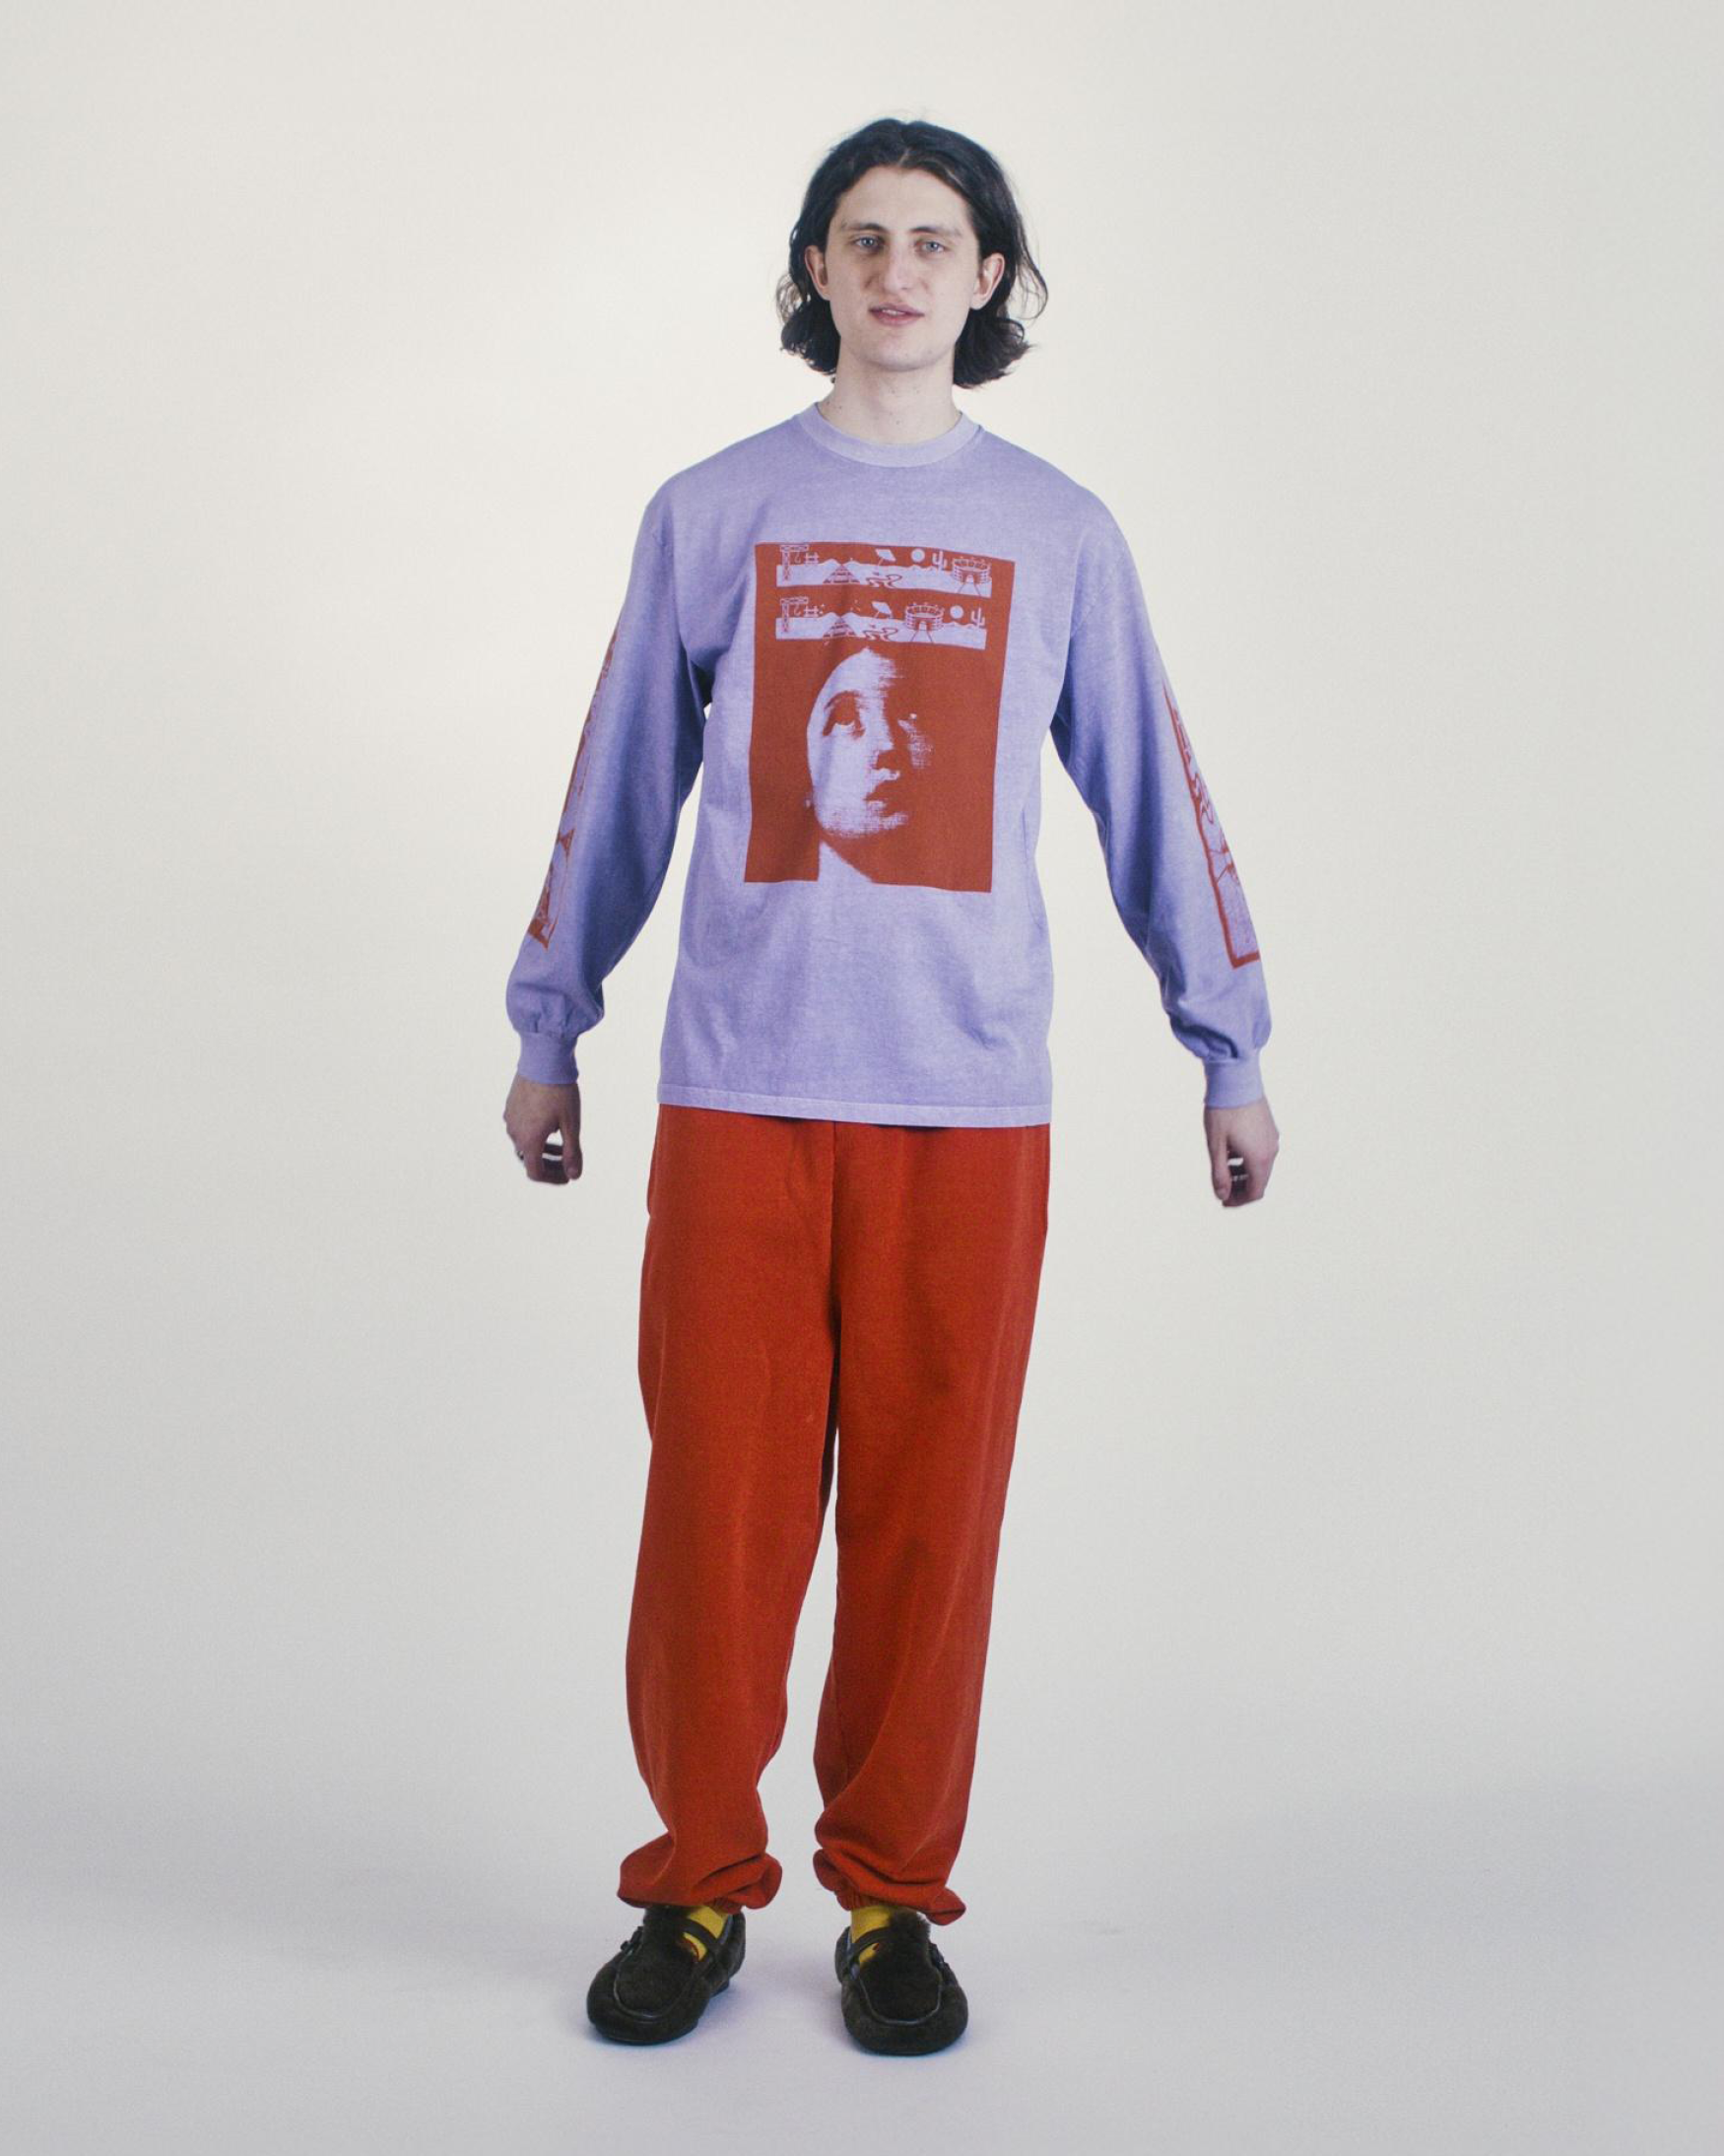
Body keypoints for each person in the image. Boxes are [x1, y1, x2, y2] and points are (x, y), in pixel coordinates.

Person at [501, 115, 1280, 2056]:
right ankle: (692, 1880)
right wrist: (548, 1020)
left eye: (934, 240)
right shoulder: (713, 510)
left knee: (933, 1520)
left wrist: (1227, 1042)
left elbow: (1149, 788)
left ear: (988, 277)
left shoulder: (1057, 531)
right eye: (861, 239)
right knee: (718, 1509)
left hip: (967, 1102)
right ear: (814, 273)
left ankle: (888, 1899)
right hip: (743, 1091)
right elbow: (619, 779)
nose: (897, 271)